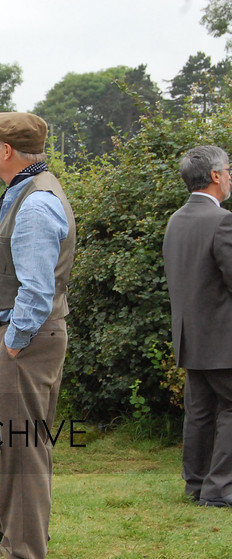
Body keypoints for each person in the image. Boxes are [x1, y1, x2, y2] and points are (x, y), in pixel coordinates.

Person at [0, 112, 76, 559]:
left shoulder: (34, 203)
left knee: (24, 451)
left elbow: (36, 288)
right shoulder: (34, 190)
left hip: (26, 342)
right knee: (26, 449)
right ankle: (21, 541)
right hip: (33, 338)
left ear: (7, 150)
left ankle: (23, 551)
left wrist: (12, 342)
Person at [162, 145, 232, 508]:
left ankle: (197, 484)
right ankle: (220, 490)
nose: (231, 177)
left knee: (201, 413)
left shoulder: (176, 220)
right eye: (230, 170)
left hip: (191, 338)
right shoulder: (223, 220)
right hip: (224, 338)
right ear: (216, 176)